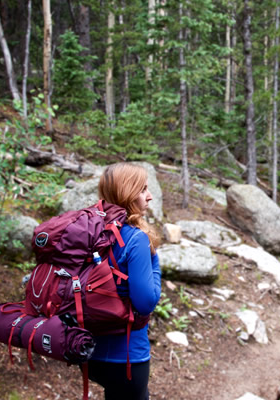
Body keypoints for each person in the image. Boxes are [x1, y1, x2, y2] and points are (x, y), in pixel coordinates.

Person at [88, 162, 161, 400]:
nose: (149, 197)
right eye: (143, 190)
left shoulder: (90, 231)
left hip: (87, 350)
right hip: (127, 357)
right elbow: (146, 303)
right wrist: (155, 264)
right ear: (127, 194)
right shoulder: (136, 238)